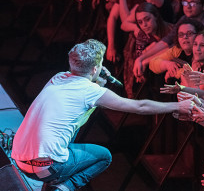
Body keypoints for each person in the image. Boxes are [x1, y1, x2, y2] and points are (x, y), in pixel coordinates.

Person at [11, 39, 194, 191]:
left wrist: (97, 79)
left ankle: (56, 186)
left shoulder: (58, 78)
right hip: (47, 168)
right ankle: (63, 188)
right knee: (104, 156)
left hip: (20, 161)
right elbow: (140, 106)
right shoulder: (90, 91)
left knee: (68, 137)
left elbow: (82, 96)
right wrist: (177, 106)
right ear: (94, 68)